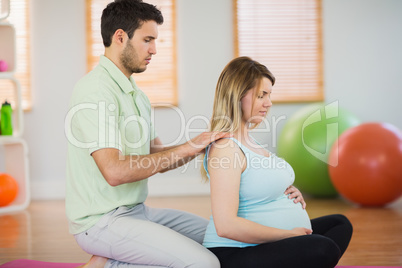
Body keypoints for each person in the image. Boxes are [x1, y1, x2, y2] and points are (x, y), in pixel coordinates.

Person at [65, 1, 230, 267]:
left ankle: (111, 258)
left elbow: (155, 157)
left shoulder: (135, 94)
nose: (154, 49)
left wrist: (199, 144)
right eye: (148, 40)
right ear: (120, 37)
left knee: (223, 239)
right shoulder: (95, 92)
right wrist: (187, 149)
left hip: (137, 211)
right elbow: (115, 172)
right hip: (101, 222)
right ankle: (109, 263)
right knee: (205, 264)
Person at [201, 56, 353, 268]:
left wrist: (287, 190)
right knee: (323, 248)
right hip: (235, 252)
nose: (269, 103)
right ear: (237, 95)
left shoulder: (249, 140)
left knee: (339, 224)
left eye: (269, 95)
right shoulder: (225, 148)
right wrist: (287, 235)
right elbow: (226, 226)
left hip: (268, 244)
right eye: (261, 95)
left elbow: (258, 182)